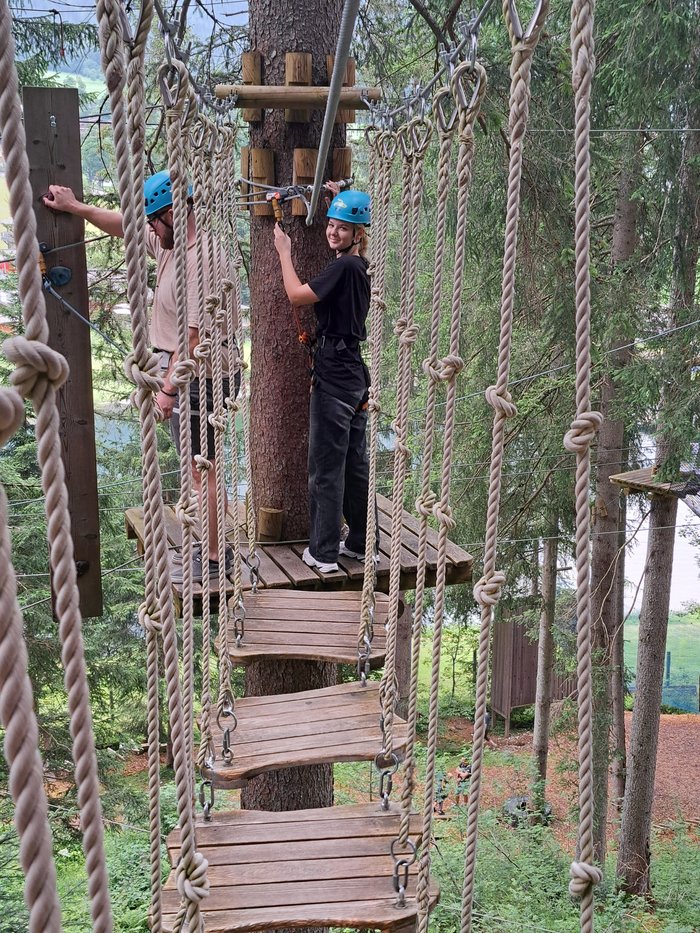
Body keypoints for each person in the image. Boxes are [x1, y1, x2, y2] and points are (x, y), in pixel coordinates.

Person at [43, 172, 237, 582]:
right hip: (185, 372)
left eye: (154, 220)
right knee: (198, 468)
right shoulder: (171, 243)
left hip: (201, 375)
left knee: (202, 469)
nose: (150, 228)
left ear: (173, 213)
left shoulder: (203, 258)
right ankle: (213, 548)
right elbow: (125, 227)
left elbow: (192, 339)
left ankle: (215, 557)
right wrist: (76, 207)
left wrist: (167, 390)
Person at [273, 183, 376, 573]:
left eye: (342, 228)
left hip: (334, 375)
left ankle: (324, 553)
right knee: (353, 464)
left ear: (357, 234)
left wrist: (284, 252)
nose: (333, 231)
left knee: (326, 467)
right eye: (331, 224)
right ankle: (361, 543)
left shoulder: (344, 266)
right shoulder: (360, 266)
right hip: (354, 374)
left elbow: (297, 295)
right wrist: (338, 197)